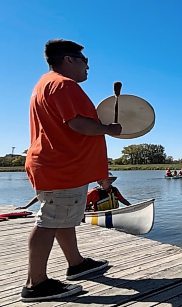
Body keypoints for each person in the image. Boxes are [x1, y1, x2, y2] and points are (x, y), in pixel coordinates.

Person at [22, 39, 122, 302]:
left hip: (58, 165)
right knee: (49, 221)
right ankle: (36, 284)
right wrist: (109, 129)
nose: (88, 66)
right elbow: (77, 123)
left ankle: (76, 264)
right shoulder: (63, 84)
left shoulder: (45, 83)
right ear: (69, 60)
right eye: (84, 60)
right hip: (60, 166)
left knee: (62, 217)